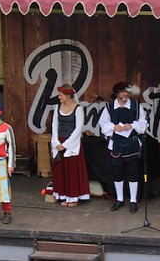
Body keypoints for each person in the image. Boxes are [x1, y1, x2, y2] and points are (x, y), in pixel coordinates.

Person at [99, 81, 147, 214]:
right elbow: (103, 124)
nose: (125, 94)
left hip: (132, 144)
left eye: (127, 92)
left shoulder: (136, 106)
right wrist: (114, 127)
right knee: (117, 173)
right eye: (123, 92)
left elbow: (143, 123)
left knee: (133, 173)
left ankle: (133, 201)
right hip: (117, 144)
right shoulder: (109, 107)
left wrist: (132, 125)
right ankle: (119, 199)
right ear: (117, 93)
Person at [50, 84, 90, 207]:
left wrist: (66, 144)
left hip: (72, 143)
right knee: (61, 170)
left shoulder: (78, 109)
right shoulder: (57, 107)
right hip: (59, 142)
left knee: (72, 171)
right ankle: (63, 195)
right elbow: (54, 125)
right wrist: (56, 142)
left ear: (68, 96)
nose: (59, 97)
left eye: (61, 95)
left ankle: (73, 197)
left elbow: (78, 129)